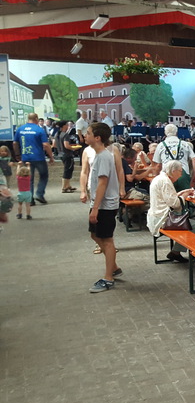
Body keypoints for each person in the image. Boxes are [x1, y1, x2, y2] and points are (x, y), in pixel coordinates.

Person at [84, 123, 122, 293]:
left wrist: (95, 208)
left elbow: (102, 183)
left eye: (88, 133)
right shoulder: (100, 155)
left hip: (105, 205)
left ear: (97, 138)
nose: (85, 136)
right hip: (100, 204)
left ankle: (108, 278)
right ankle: (113, 266)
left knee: (107, 241)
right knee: (94, 234)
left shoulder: (104, 156)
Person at [146, 160, 195, 263]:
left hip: (156, 216)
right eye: (180, 171)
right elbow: (175, 204)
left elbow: (169, 197)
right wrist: (185, 195)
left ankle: (176, 252)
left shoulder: (159, 178)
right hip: (163, 219)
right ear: (173, 171)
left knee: (187, 224)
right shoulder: (165, 181)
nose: (180, 175)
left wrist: (183, 192)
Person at [13, 113, 55, 204]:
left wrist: (17, 154)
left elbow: (15, 143)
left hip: (26, 157)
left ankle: (30, 199)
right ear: (36, 119)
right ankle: (39, 194)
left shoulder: (20, 129)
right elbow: (45, 144)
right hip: (39, 157)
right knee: (43, 176)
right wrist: (51, 156)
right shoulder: (39, 129)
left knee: (28, 178)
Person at [152, 124, 195, 192]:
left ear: (165, 133)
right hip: (182, 173)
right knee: (185, 195)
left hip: (167, 174)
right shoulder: (184, 144)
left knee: (168, 196)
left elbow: (158, 165)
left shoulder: (160, 145)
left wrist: (156, 177)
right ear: (176, 132)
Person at [56, 121, 80, 193]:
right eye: (67, 125)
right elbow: (66, 145)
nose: (68, 126)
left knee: (68, 169)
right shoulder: (65, 135)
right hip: (67, 154)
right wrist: (74, 148)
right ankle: (64, 187)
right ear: (64, 126)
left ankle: (68, 185)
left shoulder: (57, 134)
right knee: (68, 170)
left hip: (61, 154)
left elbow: (54, 144)